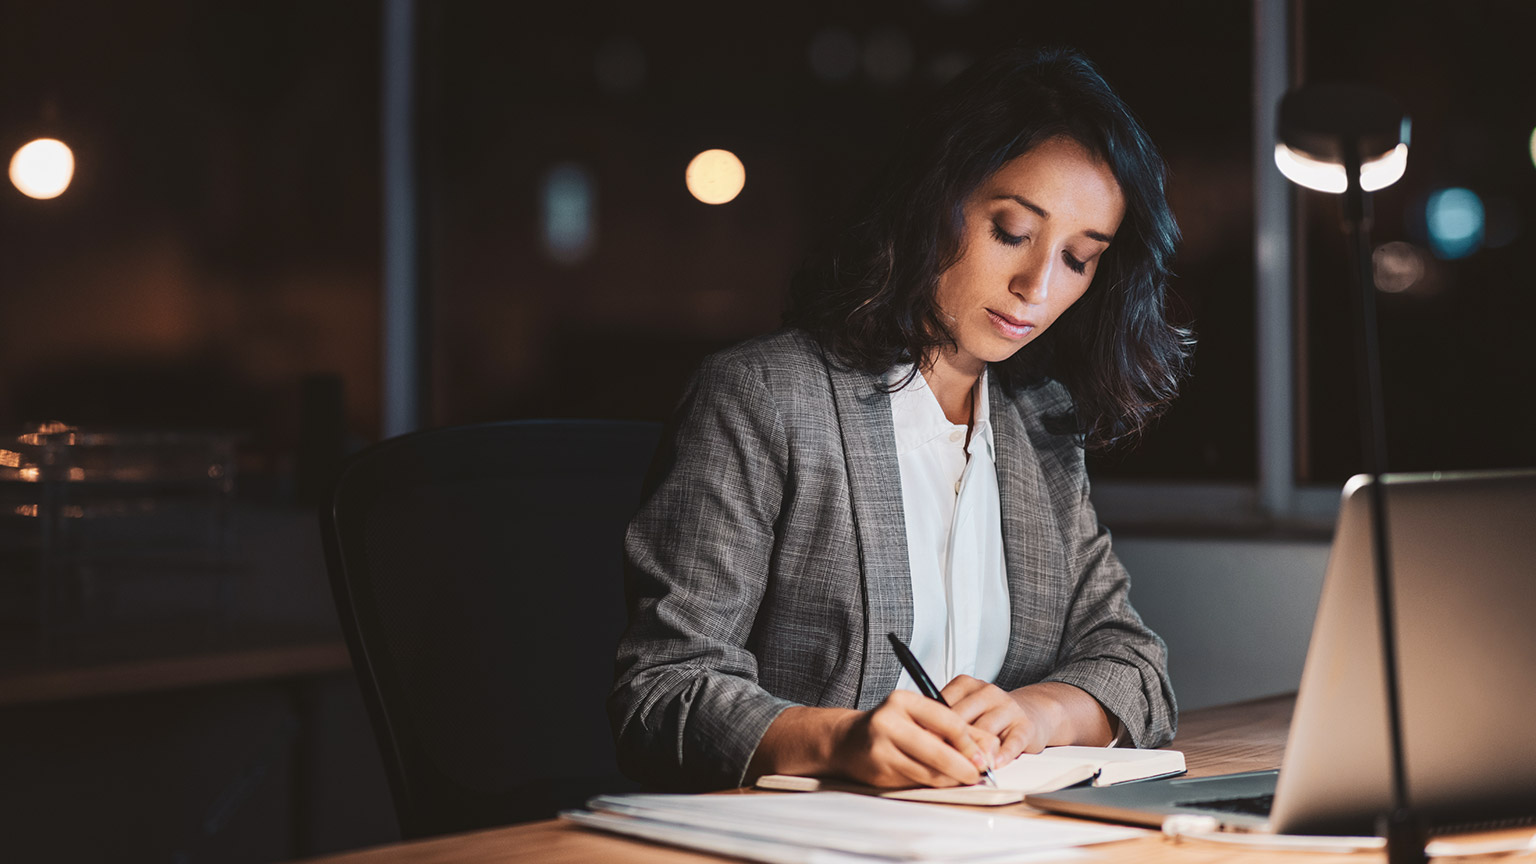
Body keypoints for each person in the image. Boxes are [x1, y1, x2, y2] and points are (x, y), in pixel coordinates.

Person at [609, 45, 1190, 793]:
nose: (1035, 287)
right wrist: (840, 741)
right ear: (933, 200)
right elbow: (660, 693)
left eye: (1078, 258)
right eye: (1011, 232)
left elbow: (1137, 667)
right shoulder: (765, 397)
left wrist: (1038, 713)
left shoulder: (1039, 424)